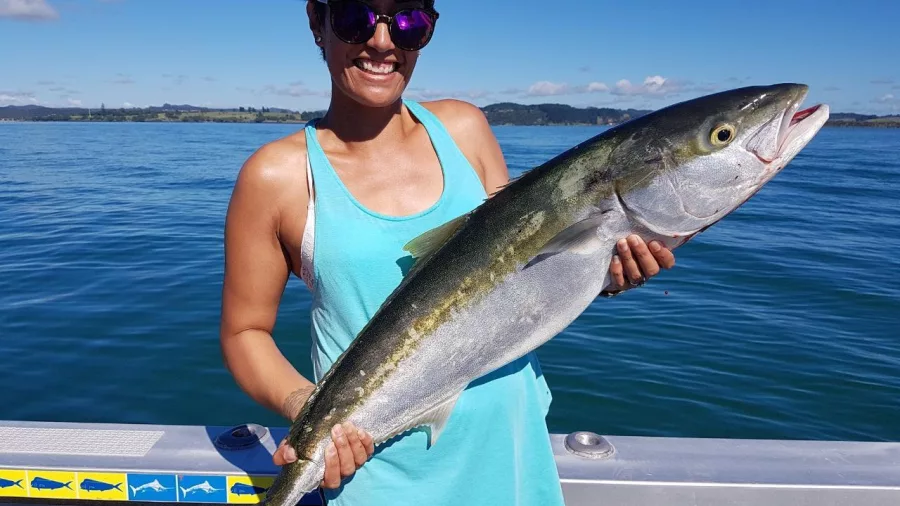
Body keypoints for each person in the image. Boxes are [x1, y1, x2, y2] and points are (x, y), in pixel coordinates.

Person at [219, 0, 676, 504]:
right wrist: (309, 407)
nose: (382, 42)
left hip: (514, 458)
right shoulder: (276, 176)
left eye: (409, 21)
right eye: (355, 17)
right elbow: (245, 332)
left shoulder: (465, 130)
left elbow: (522, 275)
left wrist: (606, 275)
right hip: (381, 474)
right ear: (316, 22)